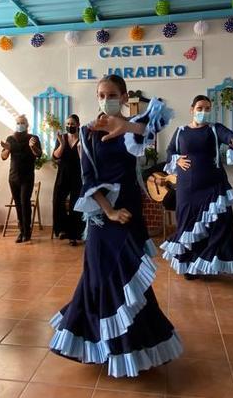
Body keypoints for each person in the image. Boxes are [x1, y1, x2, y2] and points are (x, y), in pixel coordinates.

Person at [49, 74, 182, 377]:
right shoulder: (86, 133)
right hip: (104, 214)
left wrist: (128, 126)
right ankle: (100, 342)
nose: (104, 98)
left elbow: (157, 122)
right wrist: (108, 211)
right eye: (100, 93)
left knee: (129, 275)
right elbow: (88, 179)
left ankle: (137, 342)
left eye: (111, 93)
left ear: (123, 97)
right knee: (99, 276)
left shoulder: (133, 127)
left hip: (131, 210)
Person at [160, 95, 233, 280]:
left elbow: (230, 137)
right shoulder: (180, 131)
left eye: (207, 108)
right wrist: (177, 159)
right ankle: (190, 266)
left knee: (220, 225)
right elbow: (169, 152)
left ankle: (209, 263)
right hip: (187, 189)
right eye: (200, 108)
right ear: (192, 109)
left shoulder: (215, 129)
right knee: (188, 224)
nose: (203, 112)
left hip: (213, 186)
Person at [0, 114, 42, 243]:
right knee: (18, 204)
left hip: (27, 177)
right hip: (13, 177)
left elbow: (39, 154)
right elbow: (3, 156)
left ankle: (27, 232)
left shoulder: (33, 138)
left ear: (27, 125)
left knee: (25, 203)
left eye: (22, 122)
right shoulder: (10, 138)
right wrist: (7, 149)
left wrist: (32, 147)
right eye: (18, 123)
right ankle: (21, 231)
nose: (20, 125)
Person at [52, 114, 83, 246]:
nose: (70, 126)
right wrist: (63, 144)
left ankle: (74, 235)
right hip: (63, 173)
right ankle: (63, 229)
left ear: (78, 124)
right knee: (58, 200)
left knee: (75, 204)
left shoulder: (83, 137)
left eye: (72, 124)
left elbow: (86, 159)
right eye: (68, 124)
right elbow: (55, 156)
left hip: (77, 174)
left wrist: (80, 149)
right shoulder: (62, 137)